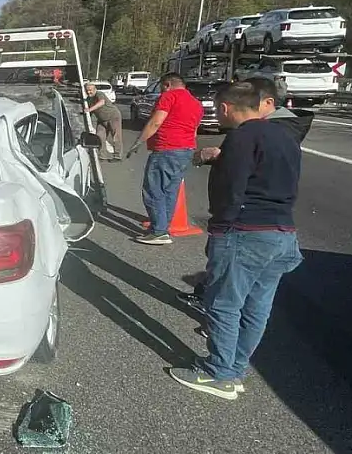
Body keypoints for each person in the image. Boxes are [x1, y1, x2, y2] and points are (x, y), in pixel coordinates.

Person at [169, 82, 303, 400]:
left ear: (227, 108)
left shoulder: (242, 136)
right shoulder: (285, 136)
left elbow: (232, 188)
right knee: (257, 307)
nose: (217, 115)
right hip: (282, 232)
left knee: (223, 304)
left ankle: (219, 373)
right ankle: (236, 367)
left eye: (217, 109)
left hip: (245, 232)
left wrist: (219, 228)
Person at [178, 76, 314, 312]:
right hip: (275, 225)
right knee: (257, 303)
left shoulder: (261, 131)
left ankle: (222, 334)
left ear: (268, 102)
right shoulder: (277, 132)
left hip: (247, 224)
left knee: (228, 303)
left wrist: (219, 227)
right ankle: (235, 340)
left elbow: (236, 184)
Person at [126, 73, 203, 245]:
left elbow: (156, 122)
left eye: (162, 86)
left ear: (167, 84)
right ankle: (162, 227)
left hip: (166, 148)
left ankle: (159, 231)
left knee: (153, 190)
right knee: (170, 190)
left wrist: (138, 143)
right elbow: (194, 129)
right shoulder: (196, 103)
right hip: (186, 149)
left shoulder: (168, 97)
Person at [83, 83, 123, 161]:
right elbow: (88, 114)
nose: (89, 92)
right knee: (99, 136)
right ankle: (102, 156)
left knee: (116, 136)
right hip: (101, 120)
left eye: (90, 90)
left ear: (94, 89)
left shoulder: (99, 94)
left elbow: (102, 102)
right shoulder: (88, 99)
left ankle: (117, 156)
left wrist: (89, 109)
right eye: (87, 91)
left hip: (113, 116)